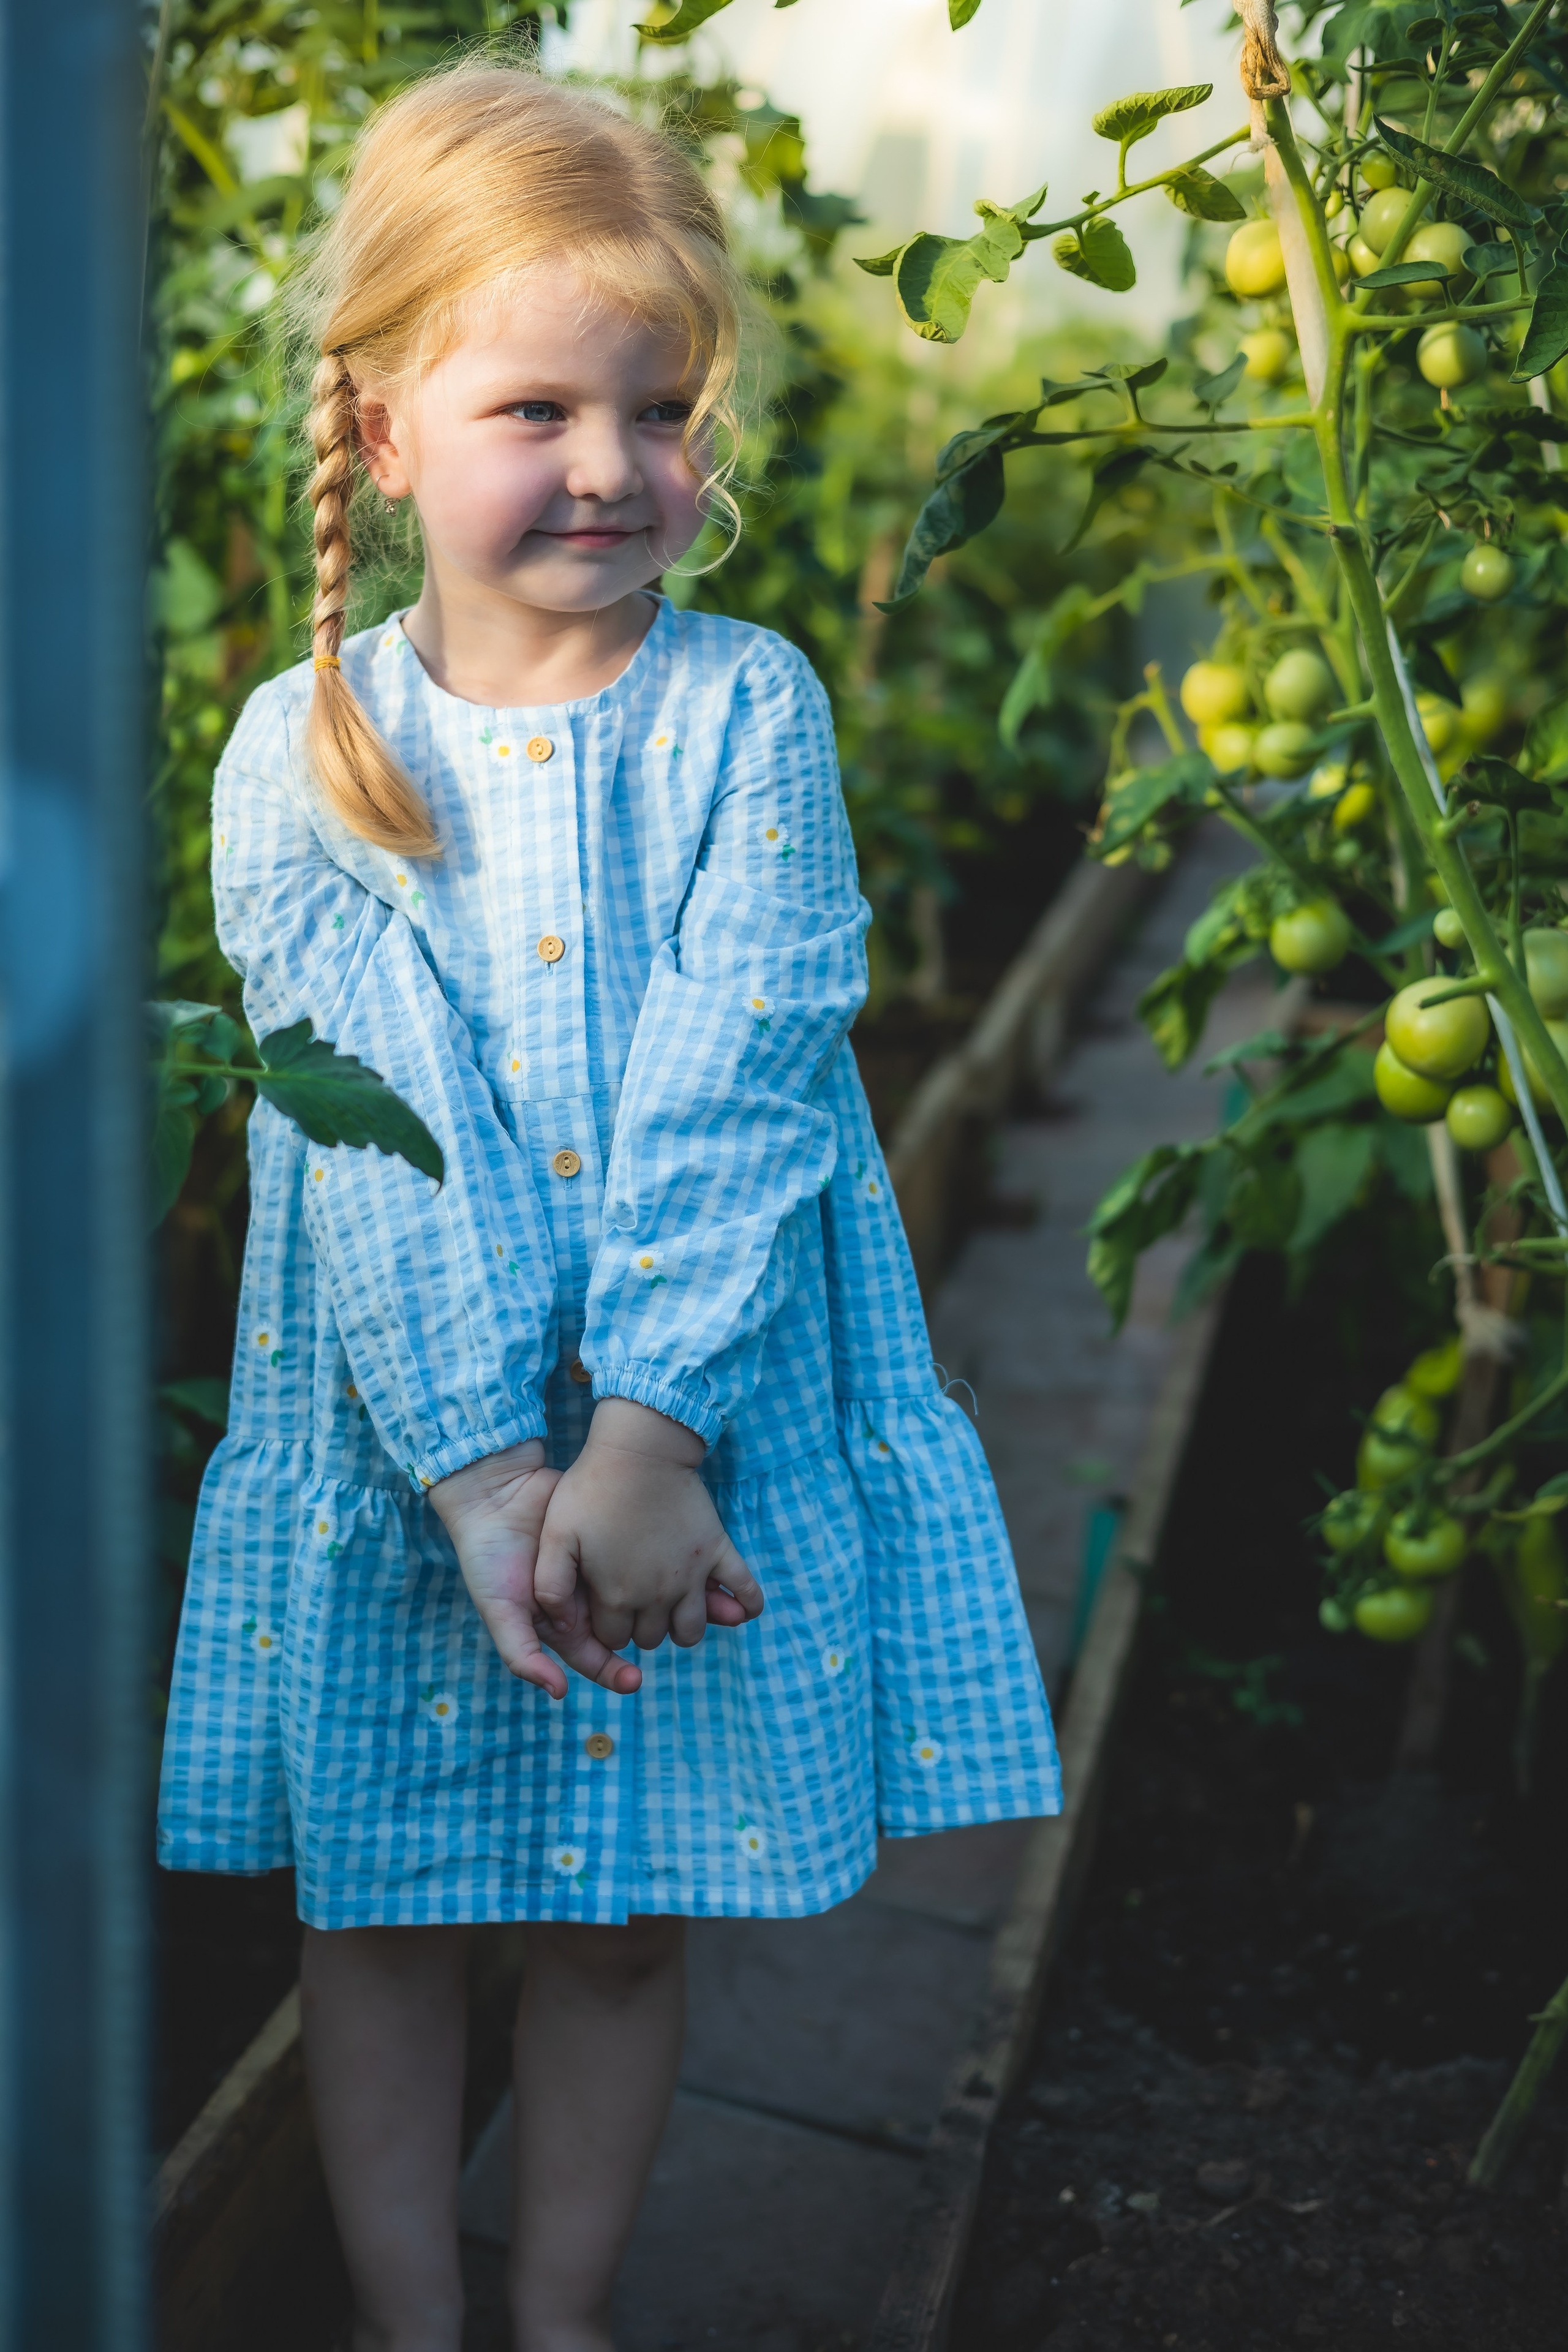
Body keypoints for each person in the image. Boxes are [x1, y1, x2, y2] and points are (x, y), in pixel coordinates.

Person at [157, 61, 1060, 2352]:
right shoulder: (311, 747)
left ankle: (555, 2318)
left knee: (621, 1916)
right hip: (402, 1444)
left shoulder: (747, 711)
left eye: (660, 412)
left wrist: (647, 1441)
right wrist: (484, 1470)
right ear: (378, 432)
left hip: (688, 1433)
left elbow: (746, 1078)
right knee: (376, 1920)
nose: (610, 466)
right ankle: (405, 2318)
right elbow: (374, 1137)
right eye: (537, 403)